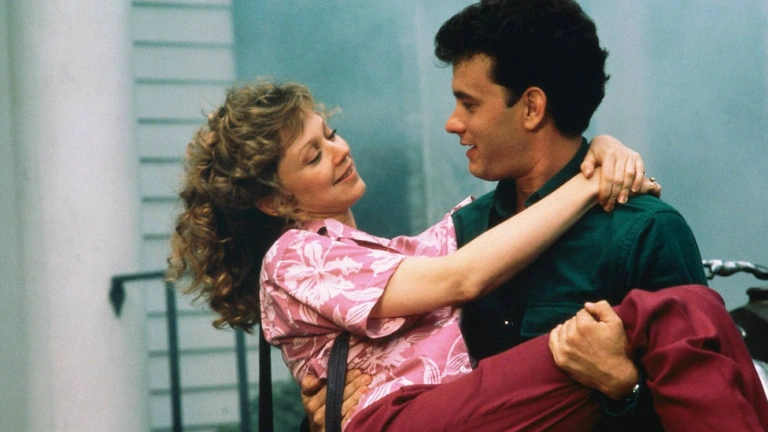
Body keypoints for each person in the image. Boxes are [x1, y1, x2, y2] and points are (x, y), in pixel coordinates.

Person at [168, 81, 768, 431]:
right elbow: (467, 275)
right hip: (404, 419)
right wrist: (592, 182)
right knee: (668, 314)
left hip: (443, 412)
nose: (339, 149)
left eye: (328, 133)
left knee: (690, 309)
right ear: (275, 200)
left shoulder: (392, 254)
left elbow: (495, 227)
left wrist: (599, 149)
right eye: (313, 155)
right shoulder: (293, 257)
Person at [302, 1, 711, 429]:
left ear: (532, 108)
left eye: (469, 104)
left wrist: (624, 388)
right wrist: (333, 407)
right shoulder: (461, 235)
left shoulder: (646, 233)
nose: (452, 123)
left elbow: (705, 408)